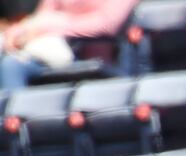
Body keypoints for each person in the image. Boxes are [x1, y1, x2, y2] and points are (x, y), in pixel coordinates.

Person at [0, 0, 136, 91]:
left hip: (97, 59)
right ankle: (13, 125)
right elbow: (42, 16)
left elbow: (107, 25)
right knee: (11, 64)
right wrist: (17, 32)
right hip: (52, 52)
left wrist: (56, 25)